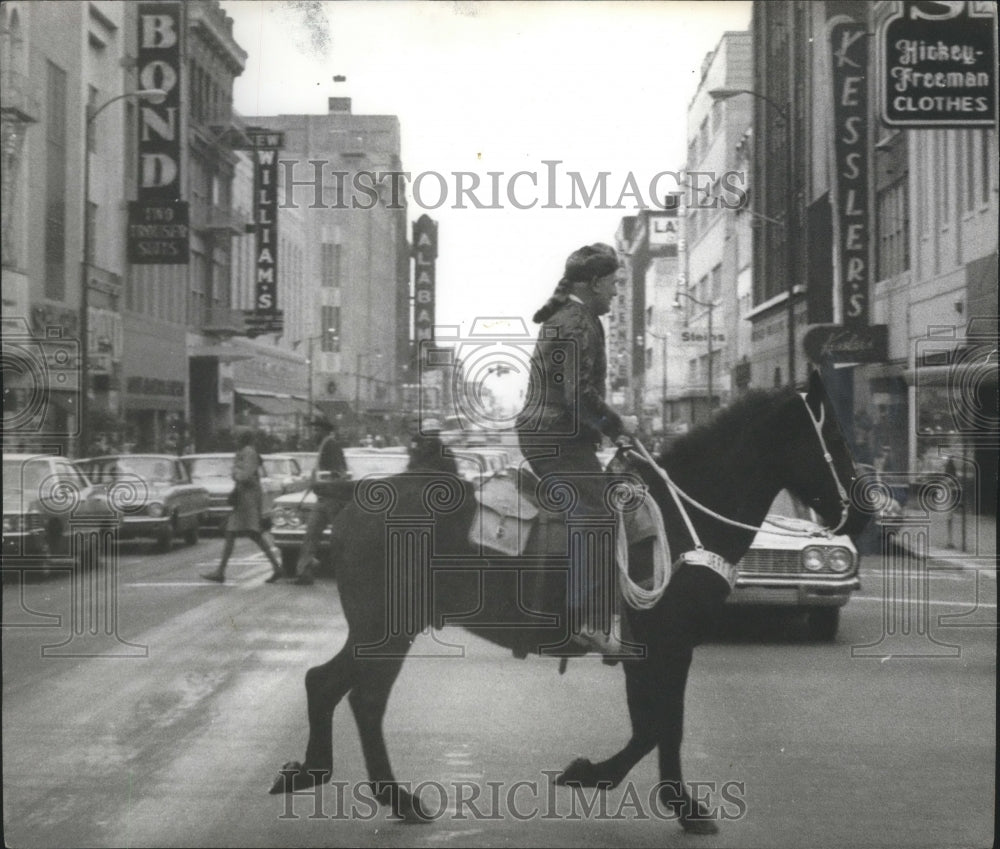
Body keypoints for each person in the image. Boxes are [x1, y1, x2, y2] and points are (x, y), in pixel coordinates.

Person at [515, 242, 632, 654]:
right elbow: (576, 395)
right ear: (596, 282)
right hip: (555, 434)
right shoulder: (577, 321)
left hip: (550, 432)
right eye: (614, 283)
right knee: (596, 515)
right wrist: (619, 425)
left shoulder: (571, 316)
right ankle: (588, 622)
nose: (617, 292)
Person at [201, 430, 282, 584]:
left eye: (238, 437)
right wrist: (237, 473)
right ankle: (275, 566)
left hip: (247, 497)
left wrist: (236, 474)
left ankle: (221, 571)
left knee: (248, 532)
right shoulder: (244, 452)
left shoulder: (248, 452)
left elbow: (244, 475)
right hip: (243, 495)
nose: (235, 439)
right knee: (245, 532)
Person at [293, 417, 349, 585]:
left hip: (332, 499)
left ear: (325, 431)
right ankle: (304, 572)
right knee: (311, 534)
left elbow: (340, 471)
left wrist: (330, 483)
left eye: (317, 430)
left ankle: (349, 569)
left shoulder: (331, 445)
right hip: (323, 498)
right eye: (314, 430)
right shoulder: (324, 446)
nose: (314, 433)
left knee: (339, 536)